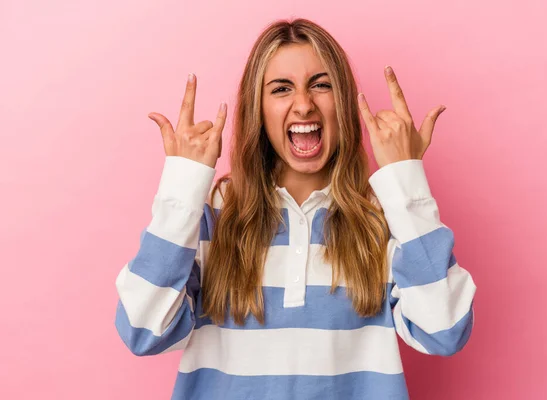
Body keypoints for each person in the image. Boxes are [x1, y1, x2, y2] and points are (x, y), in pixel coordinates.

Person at [114, 18, 477, 400]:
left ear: (344, 103)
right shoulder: (211, 215)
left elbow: (445, 331)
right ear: (259, 109)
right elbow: (141, 332)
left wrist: (406, 182)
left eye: (321, 85)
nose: (303, 105)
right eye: (281, 88)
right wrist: (183, 188)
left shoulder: (385, 219)